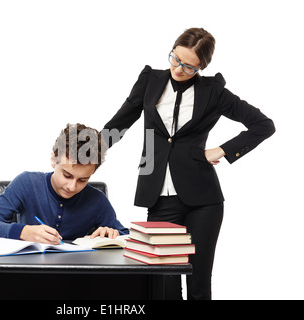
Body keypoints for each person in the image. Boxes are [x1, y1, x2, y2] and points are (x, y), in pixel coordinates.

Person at [102, 28, 275, 300]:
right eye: (175, 59)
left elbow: (264, 125)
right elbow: (120, 122)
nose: (179, 69)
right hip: (157, 195)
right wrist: (84, 152)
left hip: (203, 200)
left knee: (198, 282)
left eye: (189, 66)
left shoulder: (213, 92)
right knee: (164, 284)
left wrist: (221, 150)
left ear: (202, 67)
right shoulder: (150, 80)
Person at [0, 123, 128, 244]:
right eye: (67, 175)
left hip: (77, 276)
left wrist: (112, 234)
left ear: (92, 172)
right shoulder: (27, 183)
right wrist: (24, 232)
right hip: (27, 272)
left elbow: (126, 236)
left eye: (83, 180)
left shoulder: (97, 200)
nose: (72, 187)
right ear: (53, 160)